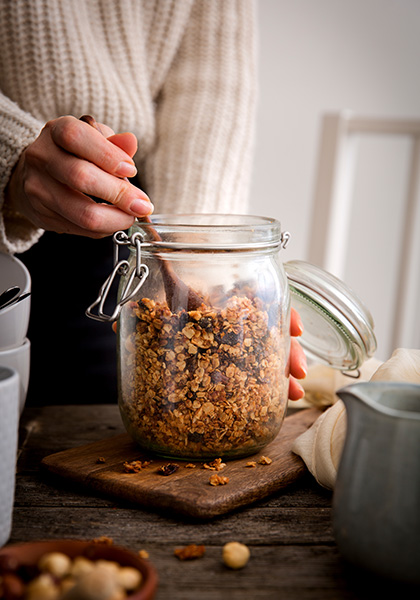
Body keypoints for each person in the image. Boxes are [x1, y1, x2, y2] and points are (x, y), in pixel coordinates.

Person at [0, 0, 306, 405]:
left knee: (97, 415)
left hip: (125, 237)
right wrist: (10, 157)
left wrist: (201, 266)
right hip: (20, 194)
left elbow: (210, 83)